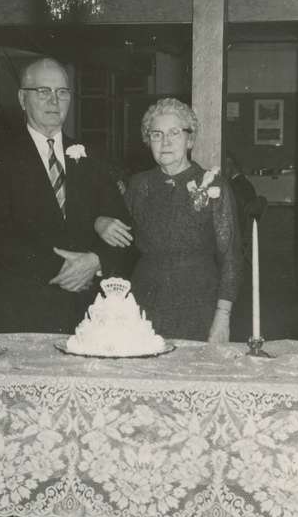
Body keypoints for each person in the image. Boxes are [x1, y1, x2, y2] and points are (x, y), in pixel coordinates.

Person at [0, 57, 131, 517]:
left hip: (84, 304)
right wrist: (57, 267)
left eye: (61, 92)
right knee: (19, 408)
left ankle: (73, 500)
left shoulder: (92, 155)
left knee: (79, 407)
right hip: (25, 299)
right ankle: (14, 505)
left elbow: (123, 225)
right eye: (41, 92)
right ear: (21, 98)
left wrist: (96, 258)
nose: (52, 101)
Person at [95, 98, 242, 342]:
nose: (165, 142)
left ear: (190, 139)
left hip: (199, 302)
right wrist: (99, 222)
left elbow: (231, 257)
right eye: (156, 134)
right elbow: (119, 239)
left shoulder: (214, 185)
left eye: (174, 132)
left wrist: (223, 317)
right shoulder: (139, 184)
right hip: (145, 299)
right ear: (147, 140)